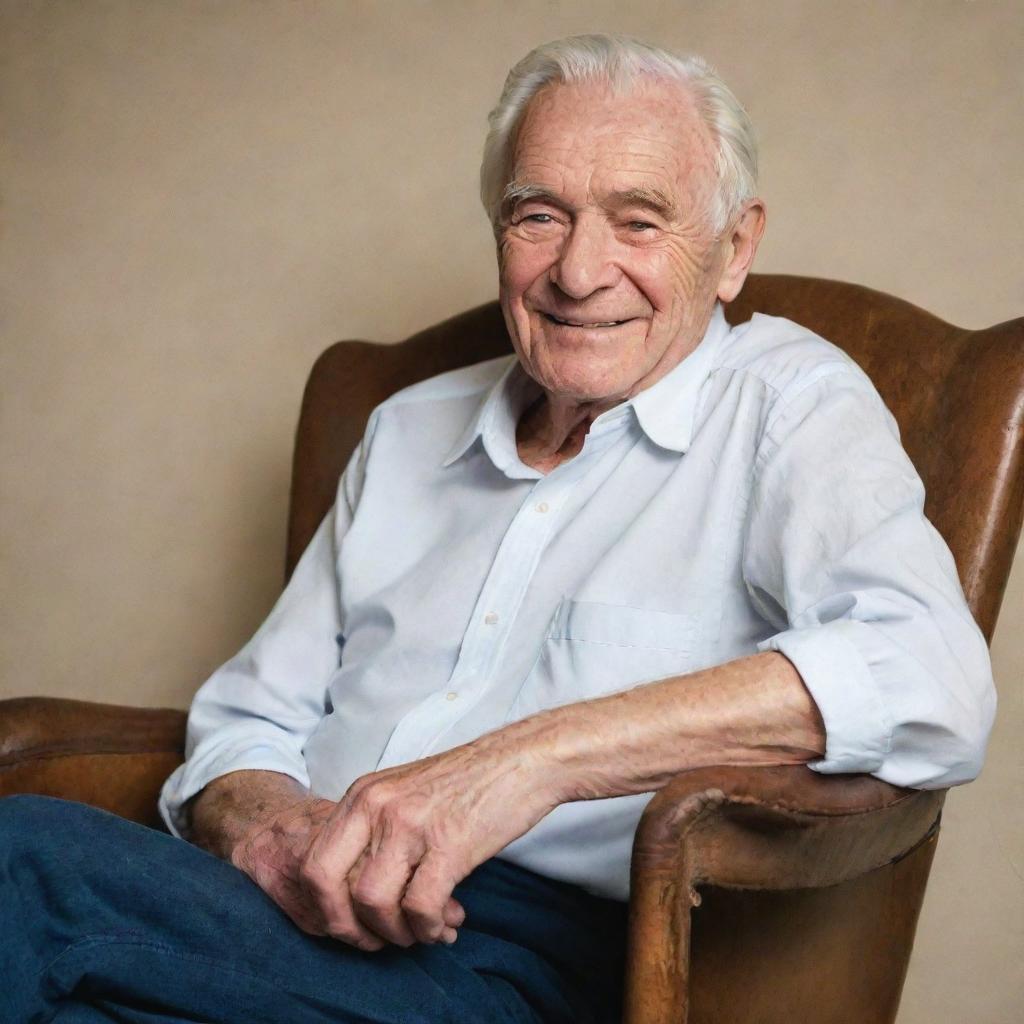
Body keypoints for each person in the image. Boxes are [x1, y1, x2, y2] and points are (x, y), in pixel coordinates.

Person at [0, 33, 995, 1024]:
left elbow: (927, 672)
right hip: (280, 925)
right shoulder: (403, 430)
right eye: (538, 216)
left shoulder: (789, 406)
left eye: (637, 221)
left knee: (21, 859)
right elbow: (249, 721)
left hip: (530, 961)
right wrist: (275, 832)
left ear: (733, 248)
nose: (578, 270)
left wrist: (528, 761)